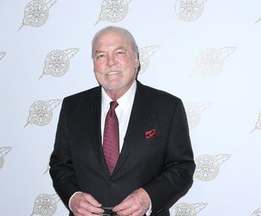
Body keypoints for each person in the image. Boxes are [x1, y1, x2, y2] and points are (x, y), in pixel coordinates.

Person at [49, 26, 195, 216]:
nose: (110, 62)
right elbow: (60, 163)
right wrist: (73, 196)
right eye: (101, 55)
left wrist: (148, 197)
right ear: (93, 63)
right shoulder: (72, 107)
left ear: (136, 59)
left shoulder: (168, 107)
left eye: (119, 52)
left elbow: (182, 167)